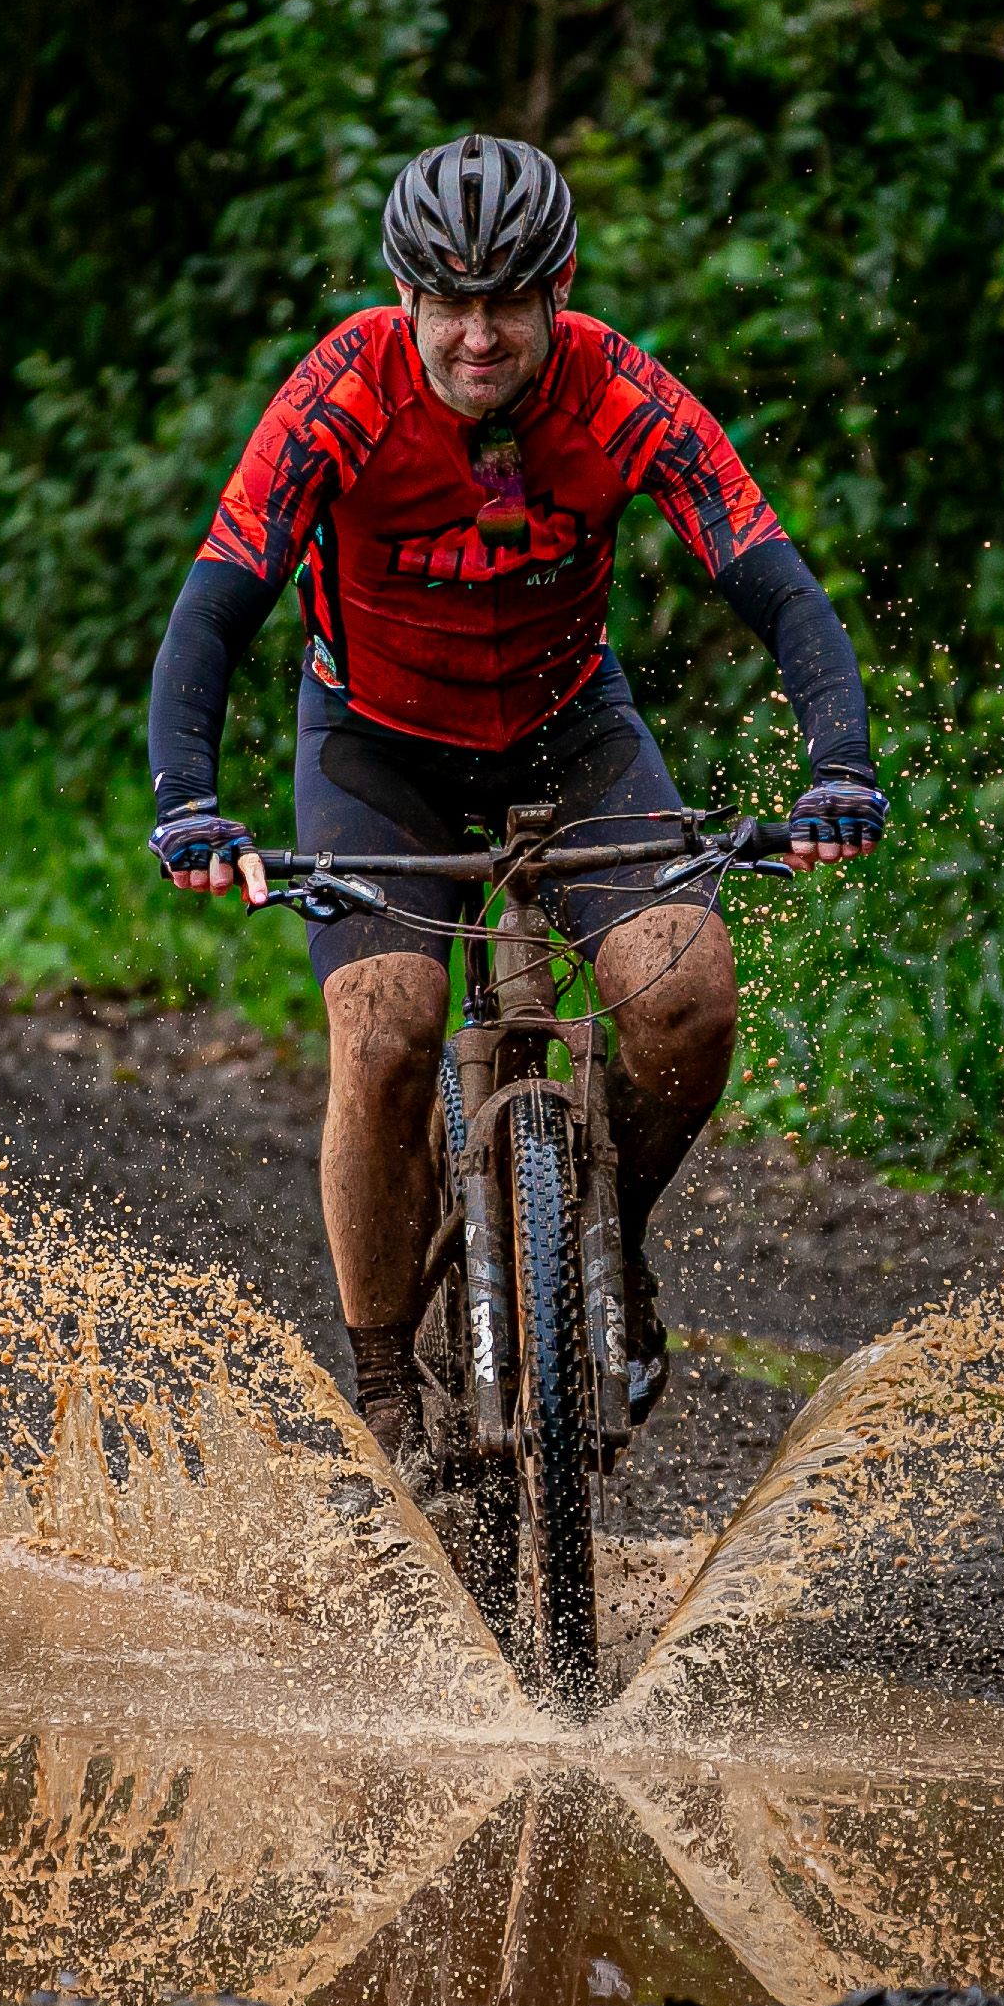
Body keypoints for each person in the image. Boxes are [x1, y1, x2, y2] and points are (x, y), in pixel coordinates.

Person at [141, 132, 884, 1525]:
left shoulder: (617, 390)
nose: (477, 335)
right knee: (384, 1032)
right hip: (375, 744)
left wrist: (837, 767)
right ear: (405, 297)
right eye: (448, 301)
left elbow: (774, 580)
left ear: (560, 290)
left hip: (567, 726)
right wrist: (189, 800)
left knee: (686, 998)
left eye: (507, 302)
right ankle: (384, 1394)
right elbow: (216, 606)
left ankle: (610, 1245)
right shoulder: (340, 395)